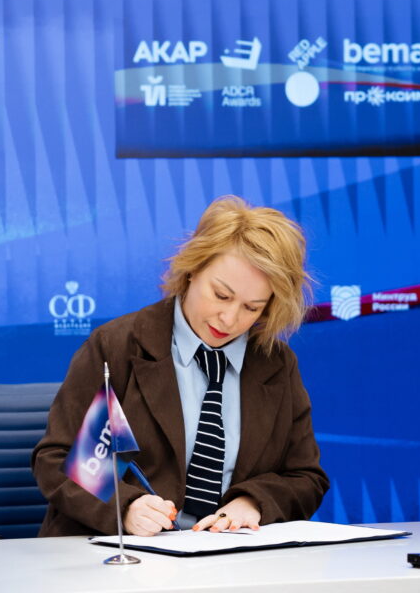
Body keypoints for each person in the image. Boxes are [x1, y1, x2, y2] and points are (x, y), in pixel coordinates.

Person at [33, 196, 328, 536]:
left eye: (252, 308)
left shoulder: (276, 363)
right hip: (121, 552)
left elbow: (306, 477)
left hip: (228, 556)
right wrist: (125, 507)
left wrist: (254, 502)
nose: (229, 318)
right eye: (221, 295)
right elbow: (58, 459)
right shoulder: (116, 346)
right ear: (192, 270)